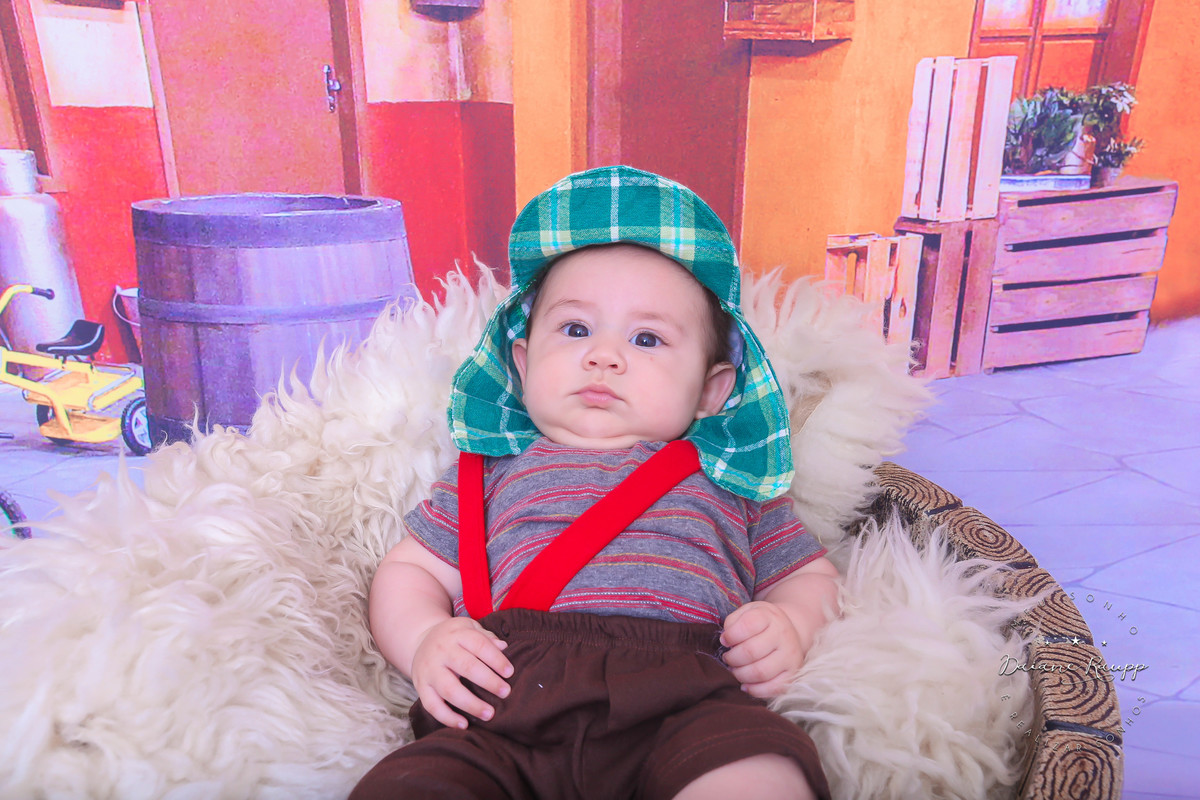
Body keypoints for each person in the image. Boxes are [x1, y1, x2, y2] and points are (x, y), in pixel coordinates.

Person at [352, 166, 838, 800]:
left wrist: (789, 624)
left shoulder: (731, 480)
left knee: (759, 768)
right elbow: (409, 570)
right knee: (414, 784)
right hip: (504, 703)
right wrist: (424, 639)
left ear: (711, 390)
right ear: (522, 362)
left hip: (687, 699)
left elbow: (809, 577)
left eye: (647, 338)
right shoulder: (489, 470)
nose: (603, 356)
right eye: (576, 329)